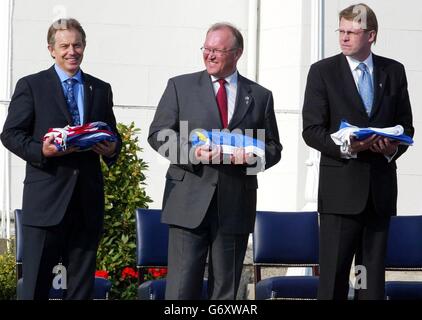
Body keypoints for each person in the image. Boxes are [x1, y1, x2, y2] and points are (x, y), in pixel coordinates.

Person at [148, 22, 282, 300]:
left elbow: (273, 148)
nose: (209, 56)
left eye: (217, 51)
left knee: (227, 292)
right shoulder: (180, 86)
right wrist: (192, 154)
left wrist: (252, 158)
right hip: (188, 201)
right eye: (206, 49)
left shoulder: (259, 96)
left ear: (237, 53)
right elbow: (159, 134)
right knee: (182, 291)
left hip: (234, 205)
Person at [1, 18, 121, 300]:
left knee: (80, 289)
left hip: (86, 204)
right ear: (51, 50)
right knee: (34, 289)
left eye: (77, 45)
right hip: (45, 203)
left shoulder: (100, 89)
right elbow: (10, 134)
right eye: (65, 45)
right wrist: (41, 151)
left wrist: (111, 149)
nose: (72, 51)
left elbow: (113, 134)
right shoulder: (32, 85)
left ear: (84, 47)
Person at [302, 3, 414, 300]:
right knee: (334, 281)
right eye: (341, 30)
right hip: (340, 195)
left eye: (352, 32)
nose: (344, 37)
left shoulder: (394, 71)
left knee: (370, 283)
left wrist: (390, 148)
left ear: (371, 35)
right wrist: (347, 146)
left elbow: (406, 127)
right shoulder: (322, 72)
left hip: (379, 193)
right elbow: (311, 131)